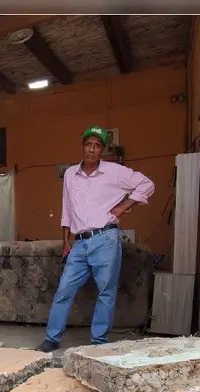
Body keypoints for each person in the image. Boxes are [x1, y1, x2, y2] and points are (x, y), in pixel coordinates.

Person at [36, 126, 154, 352]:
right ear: (82, 147)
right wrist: (66, 241)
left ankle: (98, 342)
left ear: (102, 150)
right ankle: (52, 338)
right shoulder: (70, 174)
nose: (92, 149)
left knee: (106, 291)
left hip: (106, 238)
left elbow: (147, 184)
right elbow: (67, 208)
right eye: (88, 144)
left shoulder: (115, 171)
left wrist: (123, 206)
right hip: (80, 242)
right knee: (64, 289)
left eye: (97, 145)